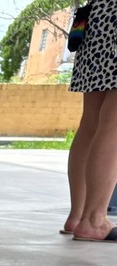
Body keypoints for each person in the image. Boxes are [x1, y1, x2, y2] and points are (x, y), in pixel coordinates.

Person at [64, 0, 117, 241]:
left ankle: (78, 216)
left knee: (91, 123)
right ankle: (94, 221)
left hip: (97, 18)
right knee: (113, 124)